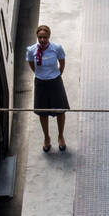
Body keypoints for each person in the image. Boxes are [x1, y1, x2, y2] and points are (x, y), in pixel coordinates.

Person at [26, 24, 69, 152]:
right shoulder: (31, 50)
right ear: (37, 37)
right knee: (42, 112)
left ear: (49, 36)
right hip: (40, 83)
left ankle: (61, 136)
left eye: (45, 37)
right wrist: (41, 75)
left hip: (55, 82)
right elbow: (31, 64)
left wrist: (56, 75)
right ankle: (46, 138)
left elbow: (62, 63)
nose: (42, 40)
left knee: (60, 111)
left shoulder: (57, 48)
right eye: (40, 37)